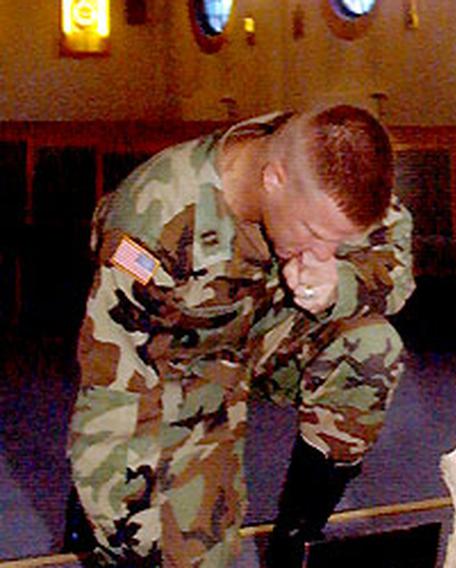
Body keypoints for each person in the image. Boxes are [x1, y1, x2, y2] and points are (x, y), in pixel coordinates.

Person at [64, 105, 415, 566]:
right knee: (163, 551)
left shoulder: (334, 174)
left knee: (371, 348)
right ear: (273, 178)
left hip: (269, 329)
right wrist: (126, 532)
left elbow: (395, 266)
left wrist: (338, 286)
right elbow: (115, 389)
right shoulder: (156, 219)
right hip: (182, 365)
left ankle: (297, 544)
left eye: (337, 241)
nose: (324, 253)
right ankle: (96, 519)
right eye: (313, 235)